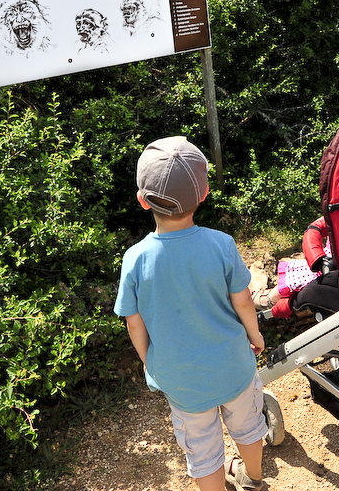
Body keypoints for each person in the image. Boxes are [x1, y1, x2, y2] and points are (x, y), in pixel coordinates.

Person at [113, 137, 269, 491]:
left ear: (142, 200)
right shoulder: (221, 244)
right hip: (232, 363)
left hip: (181, 379)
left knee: (201, 451)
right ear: (204, 193)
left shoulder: (135, 259)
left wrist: (148, 361)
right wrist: (255, 335)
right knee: (247, 427)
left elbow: (134, 322)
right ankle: (254, 480)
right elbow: (243, 300)